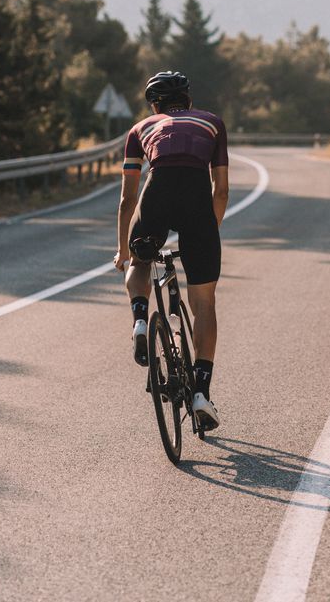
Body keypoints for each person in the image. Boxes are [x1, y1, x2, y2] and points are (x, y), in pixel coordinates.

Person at [114, 70, 229, 430]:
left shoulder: (140, 130)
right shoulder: (212, 123)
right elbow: (221, 190)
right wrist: (207, 232)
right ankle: (201, 393)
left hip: (156, 195)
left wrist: (122, 251)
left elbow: (127, 198)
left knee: (140, 261)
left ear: (154, 105)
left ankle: (138, 319)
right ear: (189, 101)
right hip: (197, 202)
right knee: (204, 304)